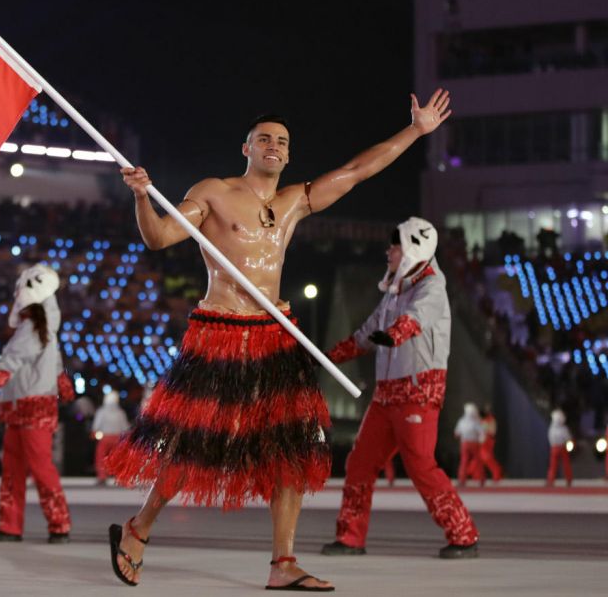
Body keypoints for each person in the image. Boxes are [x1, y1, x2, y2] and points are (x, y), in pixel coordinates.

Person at [106, 89, 454, 590]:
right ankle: (138, 530)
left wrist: (417, 132)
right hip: (221, 333)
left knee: (291, 449)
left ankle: (283, 563)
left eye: (282, 142)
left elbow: (358, 171)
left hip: (274, 335)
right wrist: (142, 196)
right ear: (245, 148)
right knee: (192, 447)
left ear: (289, 154)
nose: (273, 146)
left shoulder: (295, 201)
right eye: (264, 139)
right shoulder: (214, 192)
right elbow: (158, 238)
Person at [321, 218, 479, 560]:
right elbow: (367, 333)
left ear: (414, 248)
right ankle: (350, 537)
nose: (388, 251)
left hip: (419, 390)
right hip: (387, 393)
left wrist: (392, 335)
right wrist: (331, 356)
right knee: (360, 463)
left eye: (395, 245)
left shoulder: (431, 287)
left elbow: (416, 319)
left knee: (421, 465)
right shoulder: (397, 290)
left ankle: (463, 534)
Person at [0, 263, 75, 544]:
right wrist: (62, 383)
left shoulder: (31, 331)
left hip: (30, 407)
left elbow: (13, 359)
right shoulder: (44, 332)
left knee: (37, 467)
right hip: (23, 406)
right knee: (16, 467)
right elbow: (52, 364)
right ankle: (13, 525)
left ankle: (56, 524)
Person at [91, 391, 130, 486]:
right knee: (118, 458)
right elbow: (125, 427)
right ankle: (120, 476)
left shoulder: (102, 412)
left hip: (105, 438)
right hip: (117, 438)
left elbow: (96, 425)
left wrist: (94, 432)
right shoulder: (120, 413)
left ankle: (102, 477)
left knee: (101, 458)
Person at [453, 403, 485, 487]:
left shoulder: (461, 421)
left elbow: (456, 433)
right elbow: (482, 432)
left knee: (464, 462)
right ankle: (481, 480)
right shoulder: (476, 421)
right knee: (477, 461)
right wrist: (481, 439)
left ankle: (462, 480)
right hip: (474, 443)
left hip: (465, 443)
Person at [546, 409, 572, 487]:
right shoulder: (563, 428)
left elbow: (550, 437)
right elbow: (568, 438)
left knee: (554, 465)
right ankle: (568, 480)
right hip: (561, 447)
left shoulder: (552, 428)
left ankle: (551, 480)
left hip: (555, 447)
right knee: (563, 464)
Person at [478, 404, 503, 483]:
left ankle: (497, 474)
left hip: (487, 440)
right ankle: (479, 476)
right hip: (483, 441)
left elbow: (492, 431)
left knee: (488, 459)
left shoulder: (490, 420)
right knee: (481, 459)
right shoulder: (483, 420)